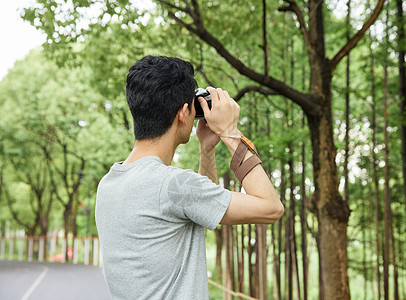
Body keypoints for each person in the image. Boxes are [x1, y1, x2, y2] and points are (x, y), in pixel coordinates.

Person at [95, 55, 284, 300]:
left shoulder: (109, 183)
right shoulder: (174, 186)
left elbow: (202, 210)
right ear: (184, 113)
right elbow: (271, 208)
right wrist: (230, 133)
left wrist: (207, 149)